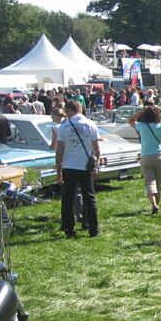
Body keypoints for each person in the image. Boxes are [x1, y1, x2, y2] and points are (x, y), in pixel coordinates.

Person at [55, 99, 101, 238]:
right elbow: (97, 149)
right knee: (90, 197)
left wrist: (59, 169)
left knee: (67, 199)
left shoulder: (64, 126)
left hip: (69, 166)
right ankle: (93, 228)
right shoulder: (90, 124)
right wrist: (95, 163)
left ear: (69, 110)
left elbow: (60, 150)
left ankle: (69, 228)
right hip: (85, 166)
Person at [129, 100, 161, 214]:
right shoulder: (160, 126)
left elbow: (131, 120)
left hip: (145, 155)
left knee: (149, 181)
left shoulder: (141, 126)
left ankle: (153, 204)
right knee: (159, 182)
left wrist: (141, 111)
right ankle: (157, 204)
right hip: (158, 155)